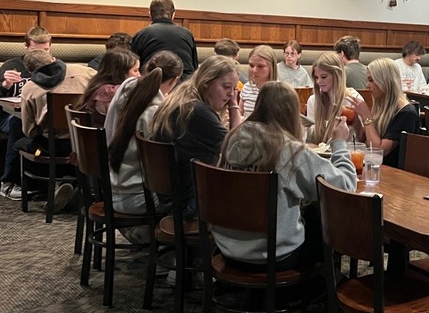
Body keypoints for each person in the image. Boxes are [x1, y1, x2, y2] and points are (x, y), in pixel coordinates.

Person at [215, 82, 356, 271]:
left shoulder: (233, 138)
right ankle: (325, 290)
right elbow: (344, 187)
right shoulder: (289, 150)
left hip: (227, 248)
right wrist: (339, 144)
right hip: (273, 256)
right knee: (321, 217)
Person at [149, 56, 242, 216]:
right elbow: (237, 150)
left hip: (171, 197)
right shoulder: (197, 112)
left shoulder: (182, 98)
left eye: (234, 89)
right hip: (190, 203)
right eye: (227, 87)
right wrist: (234, 107)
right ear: (206, 83)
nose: (231, 94)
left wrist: (232, 103)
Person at [105, 51, 183, 241]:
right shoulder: (156, 112)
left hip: (111, 186)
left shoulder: (126, 87)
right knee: (196, 197)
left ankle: (146, 235)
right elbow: (161, 169)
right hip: (136, 197)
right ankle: (175, 251)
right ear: (175, 81)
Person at [18, 50, 95, 209]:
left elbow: (30, 130)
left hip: (55, 146)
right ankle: (75, 185)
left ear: (30, 71)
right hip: (86, 140)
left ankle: (56, 186)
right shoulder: (86, 72)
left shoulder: (30, 88)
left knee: (21, 143)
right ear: (53, 59)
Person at [0, 26, 51, 200]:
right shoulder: (12, 66)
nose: (40, 57)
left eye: (45, 51)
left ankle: (60, 182)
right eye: (35, 51)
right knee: (19, 121)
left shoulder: (55, 68)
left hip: (44, 118)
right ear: (26, 47)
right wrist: (5, 86)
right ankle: (8, 183)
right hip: (10, 117)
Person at [352, 59, 420, 167]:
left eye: (371, 80)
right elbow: (365, 142)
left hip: (394, 175)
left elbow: (377, 152)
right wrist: (356, 122)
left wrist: (367, 117)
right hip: (375, 170)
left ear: (384, 81)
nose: (367, 85)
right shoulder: (380, 104)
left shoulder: (407, 113)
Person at [130, 0, 198, 78]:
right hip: (183, 85)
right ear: (173, 15)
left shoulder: (141, 35)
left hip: (152, 83)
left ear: (150, 15)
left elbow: (133, 66)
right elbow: (195, 67)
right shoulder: (187, 34)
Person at [307, 52, 365, 145]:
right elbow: (311, 139)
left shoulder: (354, 100)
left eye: (324, 77)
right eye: (316, 77)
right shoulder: (313, 100)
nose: (319, 81)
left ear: (337, 75)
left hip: (347, 154)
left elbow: (362, 139)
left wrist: (357, 122)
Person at [76, 49, 140, 126]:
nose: (139, 75)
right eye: (135, 71)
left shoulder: (98, 85)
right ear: (121, 72)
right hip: (103, 136)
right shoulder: (111, 91)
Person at [240, 45, 276, 117]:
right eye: (251, 65)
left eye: (260, 66)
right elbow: (240, 114)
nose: (254, 70)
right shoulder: (247, 87)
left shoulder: (279, 90)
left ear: (271, 67)